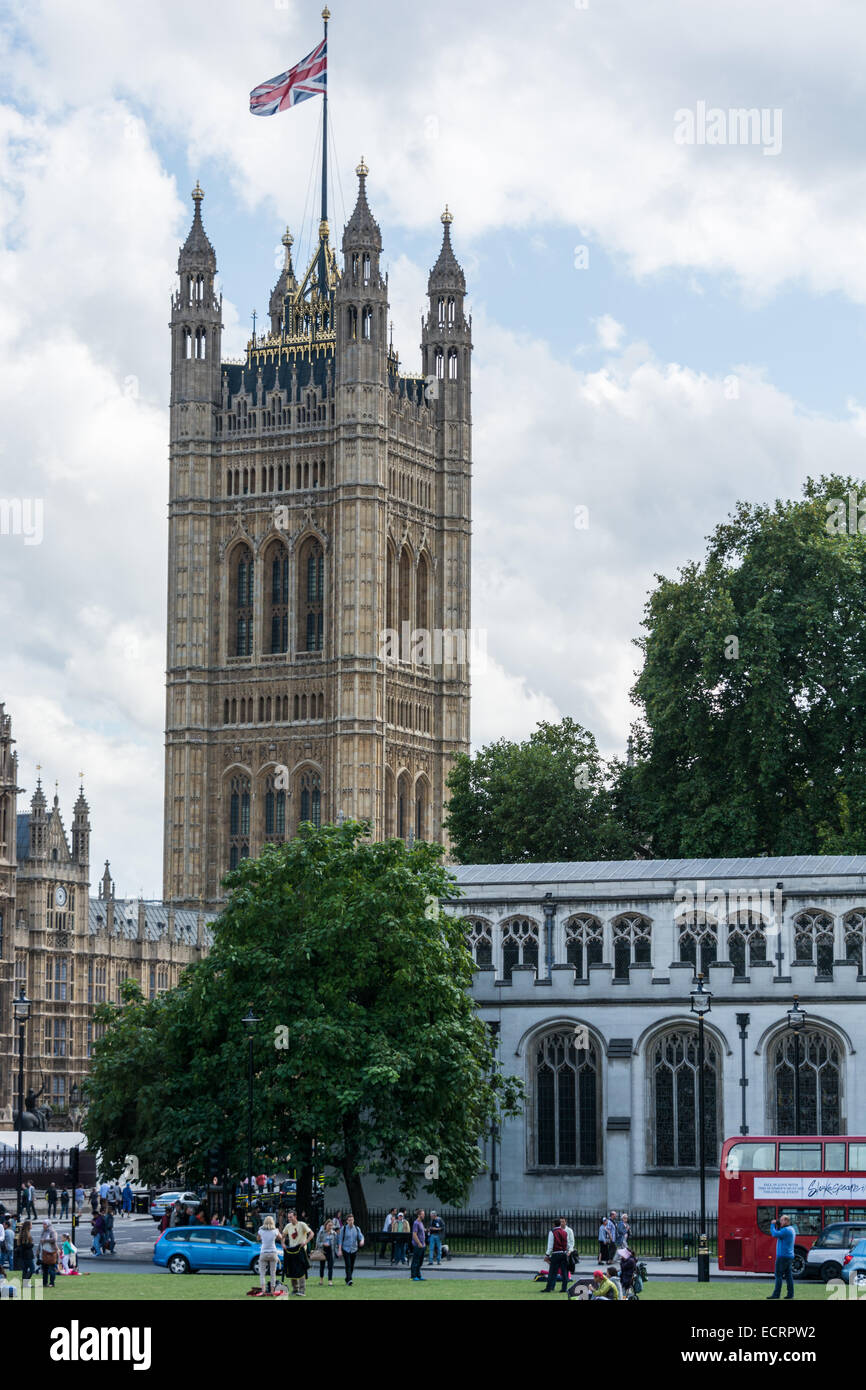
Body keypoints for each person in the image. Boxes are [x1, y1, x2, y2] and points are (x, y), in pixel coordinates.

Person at [281, 1210, 314, 1296]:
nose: (289, 1219)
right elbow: (283, 1236)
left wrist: (305, 1242)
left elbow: (312, 1234)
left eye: (291, 1217)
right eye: (288, 1217)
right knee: (292, 1270)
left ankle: (302, 1290)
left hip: (300, 1250)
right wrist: (283, 1243)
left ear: (295, 1216)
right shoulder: (288, 1226)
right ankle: (295, 1289)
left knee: (301, 1270)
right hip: (291, 1250)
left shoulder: (302, 1224)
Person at [766, 1214, 797, 1301]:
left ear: (787, 1221)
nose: (780, 1221)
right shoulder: (791, 1229)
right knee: (788, 1276)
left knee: (778, 1275)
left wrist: (772, 1224)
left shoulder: (786, 1230)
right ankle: (790, 1294)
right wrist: (778, 1225)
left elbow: (774, 1234)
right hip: (789, 1256)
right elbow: (780, 1232)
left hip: (782, 1256)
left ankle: (776, 1294)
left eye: (782, 1220)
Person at [543, 1216, 573, 1293]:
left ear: (553, 1224)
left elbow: (550, 1246)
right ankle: (564, 1288)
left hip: (556, 1254)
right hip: (564, 1254)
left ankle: (549, 1288)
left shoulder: (552, 1232)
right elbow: (567, 1245)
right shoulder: (565, 1232)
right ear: (560, 1224)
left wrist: (547, 1255)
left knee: (552, 1272)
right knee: (564, 1272)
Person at [256, 1215, 283, 1297]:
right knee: (273, 1273)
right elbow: (281, 1237)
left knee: (262, 1273)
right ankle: (272, 1291)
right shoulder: (275, 1230)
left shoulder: (261, 1230)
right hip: (273, 1252)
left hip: (264, 1252)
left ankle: (263, 1291)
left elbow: (258, 1239)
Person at [338, 1213, 364, 1285]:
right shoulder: (344, 1228)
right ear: (347, 1221)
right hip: (346, 1249)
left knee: (352, 1265)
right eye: (349, 1220)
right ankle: (350, 1279)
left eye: (352, 1220)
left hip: (354, 1249)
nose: (351, 1221)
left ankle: (347, 1278)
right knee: (348, 1265)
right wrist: (340, 1250)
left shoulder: (357, 1228)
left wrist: (362, 1241)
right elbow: (340, 1240)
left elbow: (361, 1237)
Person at [315, 1217, 338, 1286]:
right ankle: (321, 1280)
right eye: (329, 1225)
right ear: (326, 1225)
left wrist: (337, 1251)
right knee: (322, 1266)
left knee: (330, 1266)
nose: (330, 1227)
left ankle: (330, 1281)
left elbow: (336, 1243)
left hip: (331, 1251)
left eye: (331, 1225)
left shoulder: (334, 1233)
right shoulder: (321, 1232)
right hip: (323, 1250)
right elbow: (317, 1243)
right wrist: (323, 1244)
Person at [38, 1220, 60, 1288]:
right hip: (44, 1252)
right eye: (43, 1224)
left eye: (45, 1224)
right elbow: (40, 1241)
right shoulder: (43, 1231)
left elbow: (54, 1239)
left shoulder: (52, 1231)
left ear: (48, 1225)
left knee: (51, 1269)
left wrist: (45, 1240)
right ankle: (44, 1283)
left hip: (51, 1252)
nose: (43, 1225)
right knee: (44, 1269)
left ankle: (52, 1283)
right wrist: (38, 1250)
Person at [15, 1220, 35, 1288]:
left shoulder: (23, 1233)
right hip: (27, 1255)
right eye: (31, 1224)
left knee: (25, 1270)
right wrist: (32, 1245)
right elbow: (24, 1245)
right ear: (28, 1226)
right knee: (32, 1269)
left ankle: (24, 1284)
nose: (32, 1226)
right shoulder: (25, 1234)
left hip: (24, 1255)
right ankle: (25, 1284)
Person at [410, 1208, 426, 1282]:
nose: (424, 1215)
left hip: (422, 1245)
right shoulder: (416, 1223)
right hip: (417, 1245)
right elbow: (414, 1234)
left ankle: (418, 1275)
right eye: (423, 1214)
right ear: (419, 1215)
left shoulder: (421, 1223)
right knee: (416, 1260)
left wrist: (423, 1243)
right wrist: (419, 1243)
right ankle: (414, 1275)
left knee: (420, 1261)